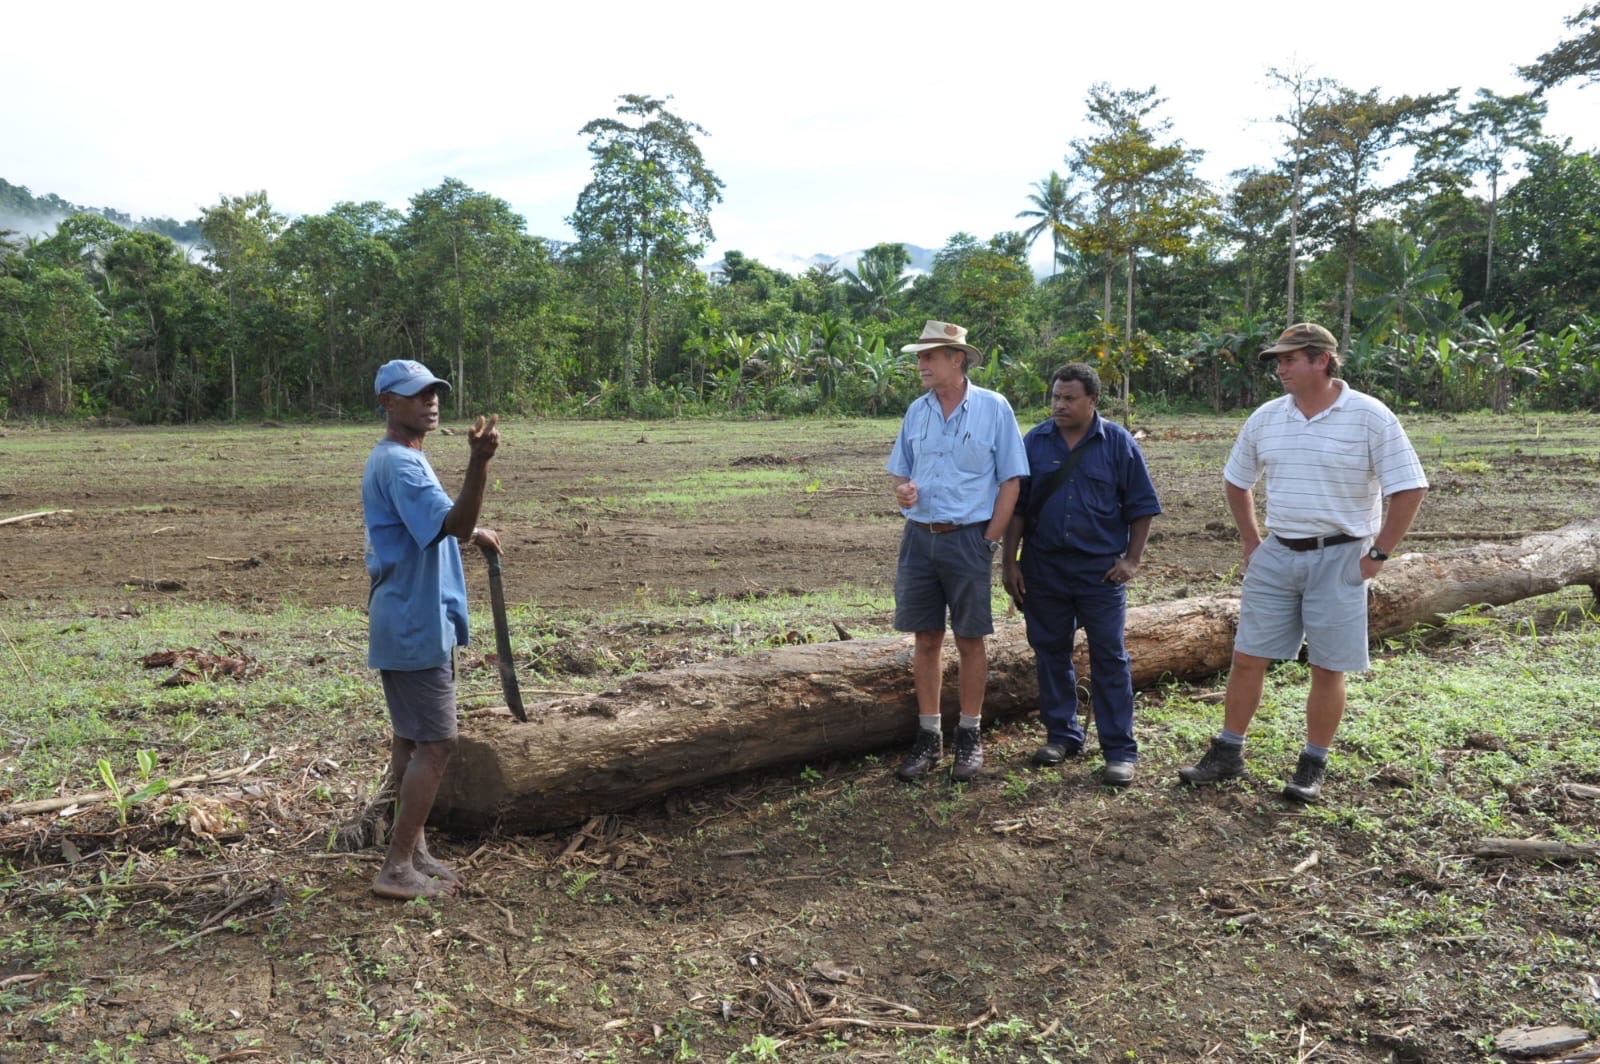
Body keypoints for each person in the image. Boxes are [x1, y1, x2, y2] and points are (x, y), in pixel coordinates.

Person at [1178, 323, 1427, 802]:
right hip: (1278, 552)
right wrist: (1253, 541)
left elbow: (1409, 487)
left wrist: (1377, 555)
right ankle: (1228, 751)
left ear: (1322, 361)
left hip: (1341, 555)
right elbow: (1237, 481)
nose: (1280, 368)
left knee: (1328, 666)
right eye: (1278, 360)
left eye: (1289, 359)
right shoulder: (1268, 418)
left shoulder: (1370, 416)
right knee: (1248, 656)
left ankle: (1313, 763)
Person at [363, 358, 503, 899]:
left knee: (411, 738)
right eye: (415, 393)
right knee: (439, 743)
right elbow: (453, 522)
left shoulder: (399, 458)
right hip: (414, 620)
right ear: (388, 403)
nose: (430, 400)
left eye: (433, 391)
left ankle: (413, 849)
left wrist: (473, 533)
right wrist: (479, 464)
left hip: (407, 616)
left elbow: (442, 525)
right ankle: (395, 867)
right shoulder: (403, 465)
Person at [1001, 363, 1160, 786]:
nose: (1060, 404)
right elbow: (1016, 508)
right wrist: (1009, 562)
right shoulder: (1033, 442)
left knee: (1110, 657)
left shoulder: (1118, 444)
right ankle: (1062, 735)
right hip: (1044, 567)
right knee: (1050, 651)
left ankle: (1119, 751)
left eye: (1070, 398)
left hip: (1099, 573)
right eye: (1056, 396)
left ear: (1092, 401)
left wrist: (1131, 561)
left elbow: (1142, 506)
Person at [887, 320, 1028, 783]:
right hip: (919, 539)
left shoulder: (994, 408)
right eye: (920, 356)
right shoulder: (917, 411)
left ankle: (970, 734)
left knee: (970, 639)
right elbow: (901, 472)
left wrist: (989, 539)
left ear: (957, 359)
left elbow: (1012, 479)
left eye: (930, 356)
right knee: (926, 639)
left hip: (969, 538)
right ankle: (929, 737)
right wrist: (904, 493)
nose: (921, 363)